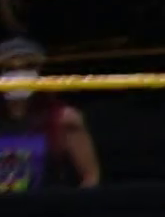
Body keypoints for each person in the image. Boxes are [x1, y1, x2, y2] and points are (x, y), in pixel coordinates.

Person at [0, 38, 102, 194]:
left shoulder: (64, 118)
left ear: (40, 71)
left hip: (47, 204)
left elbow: (91, 178)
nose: (18, 74)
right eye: (8, 68)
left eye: (28, 66)